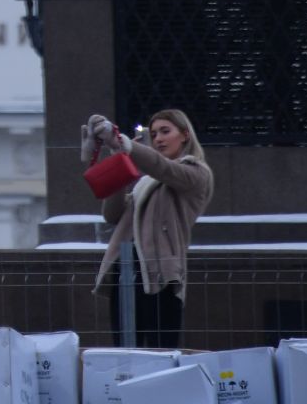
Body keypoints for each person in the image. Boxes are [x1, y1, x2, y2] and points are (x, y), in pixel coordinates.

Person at [82, 109, 213, 349]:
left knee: (160, 352)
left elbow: (163, 168)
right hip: (125, 270)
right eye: (154, 134)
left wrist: (126, 144)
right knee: (124, 353)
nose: (159, 139)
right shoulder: (146, 182)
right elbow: (112, 215)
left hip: (160, 273)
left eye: (165, 131)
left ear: (185, 135)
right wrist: (119, 160)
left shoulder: (195, 172)